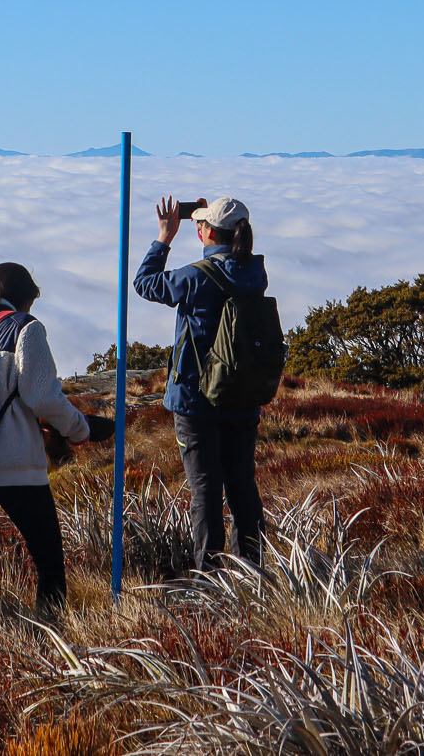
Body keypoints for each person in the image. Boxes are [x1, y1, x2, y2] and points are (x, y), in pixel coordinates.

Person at [0, 262, 114, 621]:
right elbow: (42, 398)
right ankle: (51, 635)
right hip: (15, 464)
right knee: (48, 561)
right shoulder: (24, 328)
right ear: (22, 298)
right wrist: (81, 429)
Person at [134, 195, 269, 571]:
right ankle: (252, 571)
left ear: (206, 232)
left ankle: (208, 577)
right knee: (242, 484)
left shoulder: (195, 276)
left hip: (196, 401)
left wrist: (164, 237)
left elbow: (145, 284)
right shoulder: (255, 274)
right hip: (242, 396)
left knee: (205, 489)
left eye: (202, 224)